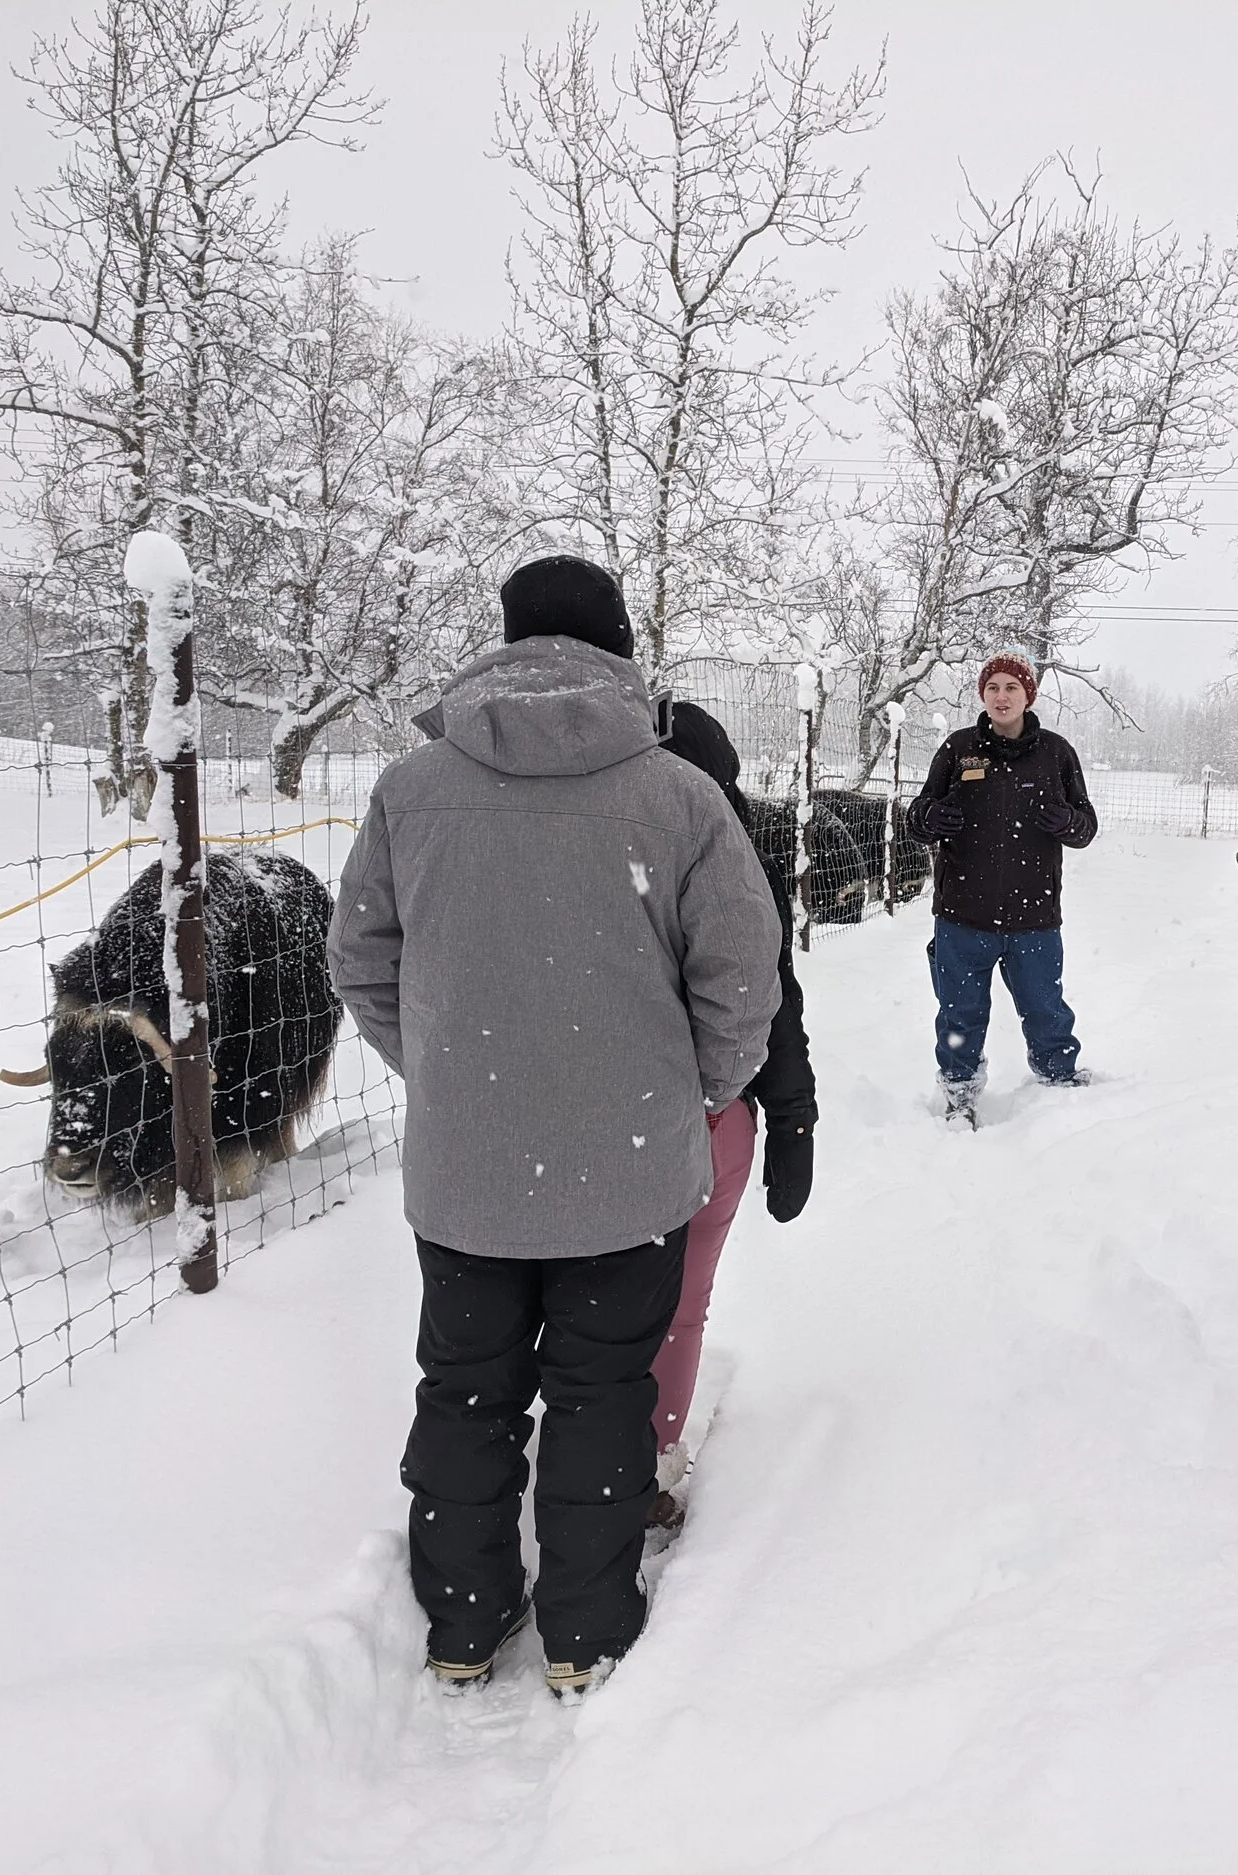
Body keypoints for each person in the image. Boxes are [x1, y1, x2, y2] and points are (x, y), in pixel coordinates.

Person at [327, 555, 783, 1697]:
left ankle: (464, 1622)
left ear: (506, 638)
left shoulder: (411, 787)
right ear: (620, 646)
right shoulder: (678, 795)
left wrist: (441, 1071)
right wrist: (693, 1094)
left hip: (467, 1171)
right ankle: (584, 1629)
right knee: (603, 1388)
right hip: (626, 1171)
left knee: (466, 1386)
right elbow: (743, 980)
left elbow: (361, 963)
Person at [645, 699, 817, 1528]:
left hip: (601, 1111)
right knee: (681, 1304)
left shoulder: (603, 845)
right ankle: (649, 1458)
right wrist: (792, 1117)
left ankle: (588, 1448)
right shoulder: (739, 854)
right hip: (717, 1115)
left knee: (589, 1297)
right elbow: (770, 998)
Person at [904, 653, 1099, 1124]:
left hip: (1034, 917)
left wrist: (1068, 821)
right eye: (993, 687)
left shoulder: (1055, 753)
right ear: (983, 695)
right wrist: (929, 818)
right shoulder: (958, 750)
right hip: (963, 914)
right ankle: (959, 1093)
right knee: (960, 1013)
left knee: (1045, 1008)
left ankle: (1057, 1080)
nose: (1002, 696)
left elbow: (1087, 826)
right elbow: (917, 816)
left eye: (1012, 687)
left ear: (1028, 694)